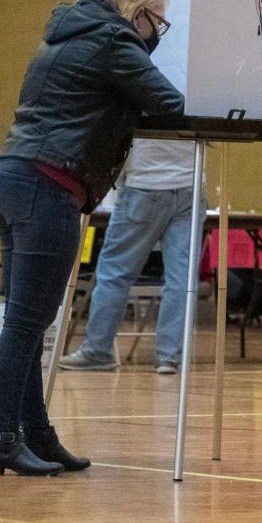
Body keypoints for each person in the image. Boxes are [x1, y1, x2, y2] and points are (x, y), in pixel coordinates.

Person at [0, 0, 184, 476]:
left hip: (14, 178)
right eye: (157, 21)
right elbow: (169, 102)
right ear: (138, 9)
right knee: (28, 324)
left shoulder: (64, 36)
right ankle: (1, 437)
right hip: (48, 185)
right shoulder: (115, 41)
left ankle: (35, 434)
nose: (156, 32)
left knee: (26, 321)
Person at [57, 139, 201, 376]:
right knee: (182, 278)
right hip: (191, 185)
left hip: (146, 182)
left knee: (115, 273)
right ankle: (169, 357)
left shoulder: (146, 98)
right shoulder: (200, 98)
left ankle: (97, 351)